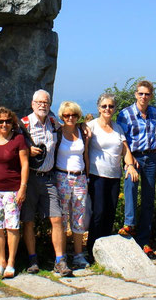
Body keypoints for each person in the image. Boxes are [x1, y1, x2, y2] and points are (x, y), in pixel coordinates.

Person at [19, 89, 67, 275]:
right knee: (28, 220)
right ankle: (32, 259)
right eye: (39, 102)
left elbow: (70, 131)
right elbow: (13, 146)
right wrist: (26, 150)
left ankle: (60, 260)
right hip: (29, 178)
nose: (42, 105)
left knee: (57, 218)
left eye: (46, 102)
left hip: (48, 178)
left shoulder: (54, 124)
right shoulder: (24, 124)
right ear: (32, 104)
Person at [86, 93, 137, 257]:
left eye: (111, 106)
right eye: (104, 106)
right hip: (97, 175)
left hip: (115, 175)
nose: (107, 109)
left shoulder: (118, 128)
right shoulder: (91, 126)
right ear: (99, 108)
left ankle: (105, 248)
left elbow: (126, 150)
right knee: (98, 212)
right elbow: (84, 150)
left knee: (110, 212)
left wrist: (130, 165)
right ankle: (92, 248)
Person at [116, 80, 156, 256]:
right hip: (133, 156)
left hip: (150, 157)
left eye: (147, 94)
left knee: (148, 199)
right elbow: (123, 140)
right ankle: (129, 223)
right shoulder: (125, 114)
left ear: (151, 96)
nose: (144, 97)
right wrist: (129, 161)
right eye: (141, 93)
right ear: (136, 94)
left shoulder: (155, 113)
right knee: (130, 185)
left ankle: (144, 240)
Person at [0, 107, 29, 279]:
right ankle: (1, 261)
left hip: (12, 190)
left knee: (12, 227)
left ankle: (11, 262)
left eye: (8, 121)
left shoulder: (18, 139)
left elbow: (24, 164)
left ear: (13, 123)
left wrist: (23, 187)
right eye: (0, 121)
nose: (4, 124)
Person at [54, 101, 92, 271]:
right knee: (61, 219)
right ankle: (61, 257)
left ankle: (78, 254)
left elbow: (86, 156)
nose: (70, 118)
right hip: (62, 176)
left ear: (78, 116)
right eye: (67, 115)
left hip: (80, 178)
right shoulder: (58, 133)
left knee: (78, 217)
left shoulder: (82, 133)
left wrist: (87, 176)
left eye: (74, 115)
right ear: (62, 116)